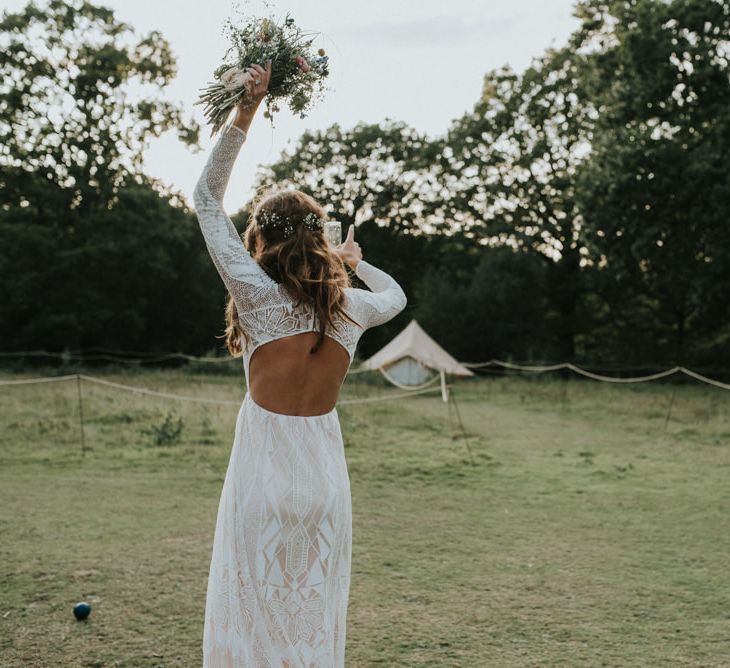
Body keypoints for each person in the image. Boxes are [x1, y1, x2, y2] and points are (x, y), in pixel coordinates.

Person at [193, 60, 407, 667]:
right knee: (311, 618)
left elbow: (207, 199)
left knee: (251, 614)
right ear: (318, 238)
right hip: (324, 480)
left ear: (263, 237)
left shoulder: (256, 297)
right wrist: (352, 262)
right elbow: (397, 297)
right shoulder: (354, 307)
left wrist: (247, 110)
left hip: (261, 471)